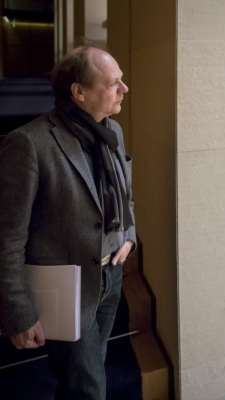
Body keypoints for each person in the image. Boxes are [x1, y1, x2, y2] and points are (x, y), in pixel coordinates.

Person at [0, 45, 136, 400]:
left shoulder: (113, 131)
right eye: (113, 83)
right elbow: (7, 237)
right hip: (66, 288)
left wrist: (129, 236)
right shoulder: (29, 143)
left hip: (112, 275)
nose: (125, 89)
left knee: (83, 378)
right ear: (79, 92)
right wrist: (17, 312)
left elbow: (125, 194)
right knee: (89, 388)